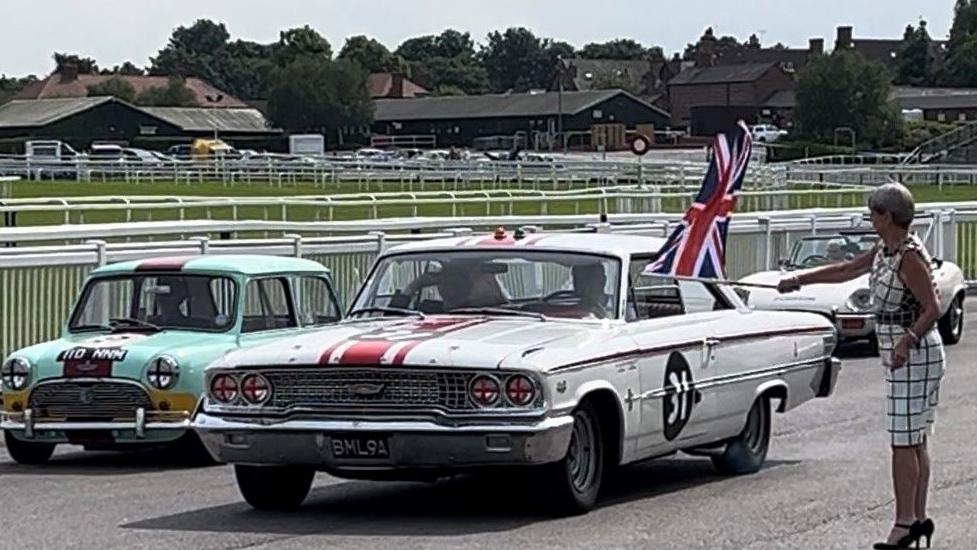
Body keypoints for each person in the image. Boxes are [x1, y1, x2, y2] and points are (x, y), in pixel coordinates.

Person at [777, 183, 943, 549]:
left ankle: (904, 522)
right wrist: (799, 280)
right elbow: (848, 268)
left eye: (873, 214)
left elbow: (933, 307)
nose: (871, 220)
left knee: (904, 440)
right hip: (901, 354)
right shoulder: (886, 250)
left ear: (888, 216)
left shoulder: (909, 256)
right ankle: (917, 518)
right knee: (914, 437)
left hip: (914, 356)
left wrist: (907, 340)